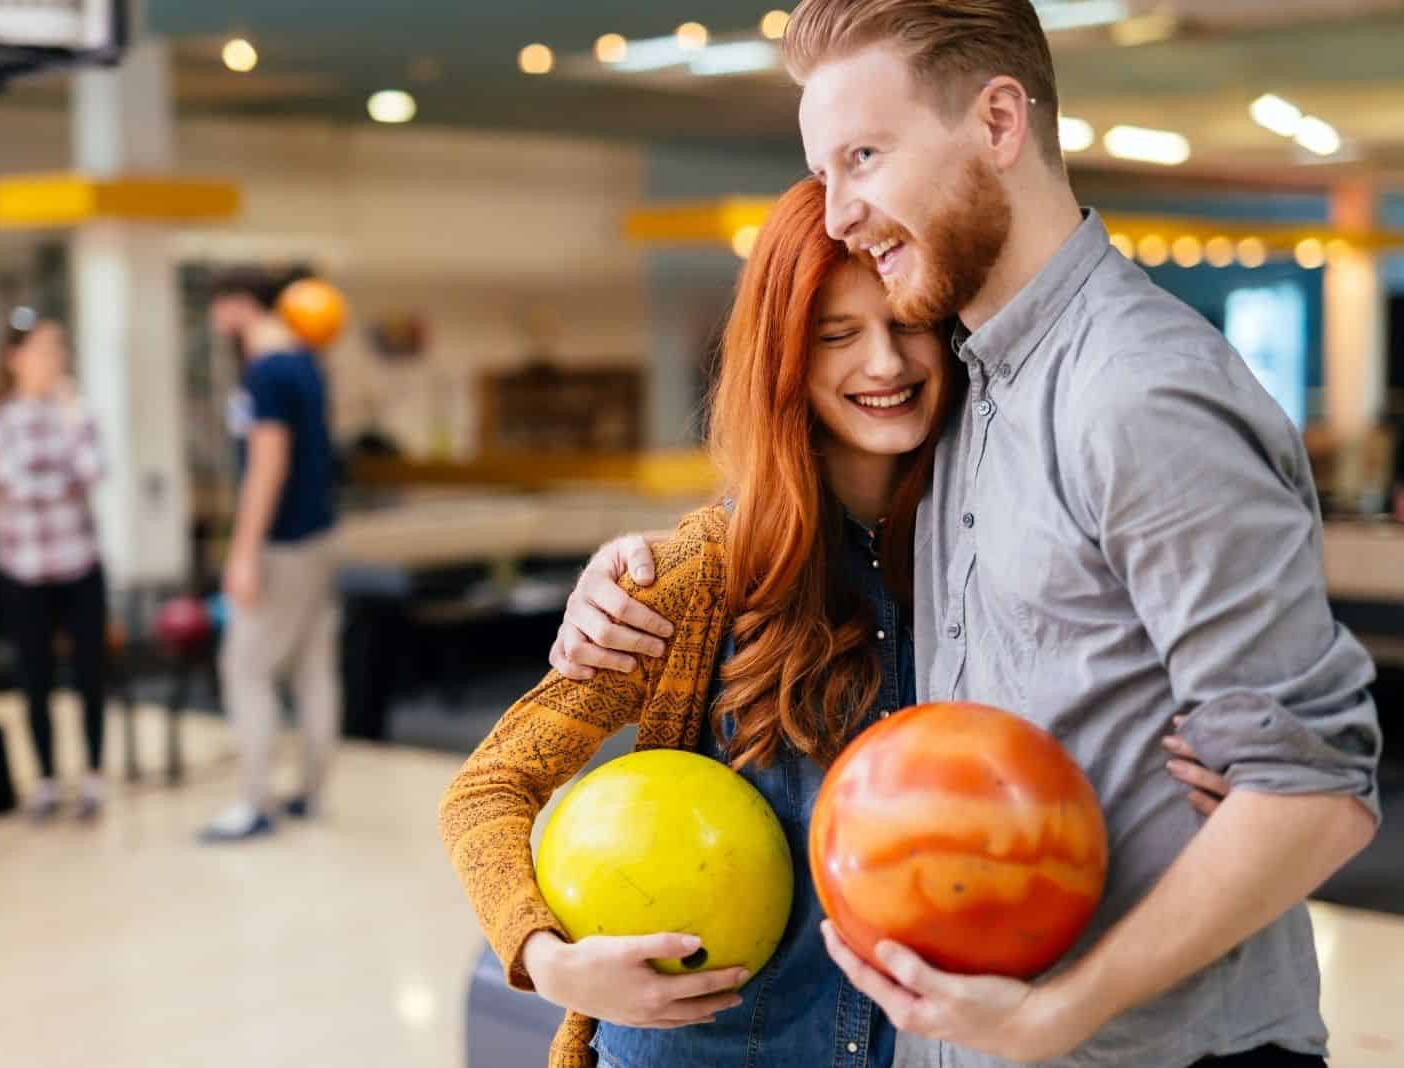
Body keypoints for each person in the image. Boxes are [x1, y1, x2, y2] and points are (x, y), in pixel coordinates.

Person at [549, 3, 1383, 1067]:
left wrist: (1053, 1016)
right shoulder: (964, 390)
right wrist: (637, 571)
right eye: (825, 168)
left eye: (862, 157)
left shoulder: (1135, 393)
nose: (837, 211)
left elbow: (1312, 792)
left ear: (997, 124)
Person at [440, 181, 1221, 1068]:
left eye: (907, 324)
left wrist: (1211, 774)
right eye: (837, 336)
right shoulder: (698, 576)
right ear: (787, 359)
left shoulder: (1009, 559)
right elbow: (487, 789)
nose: (882, 365)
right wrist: (552, 963)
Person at [199, 268, 341, 843]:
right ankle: (311, 790)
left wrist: (242, 552)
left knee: (244, 668)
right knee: (312, 667)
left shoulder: (264, 373)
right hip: (322, 536)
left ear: (237, 305)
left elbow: (267, 465)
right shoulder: (307, 364)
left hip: (283, 544)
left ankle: (253, 801)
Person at [0, 307, 109, 822]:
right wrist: (64, 480)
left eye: (60, 348)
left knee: (90, 673)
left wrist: (72, 426)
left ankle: (94, 775)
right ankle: (48, 780)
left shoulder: (76, 409)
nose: (56, 359)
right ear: (15, 358)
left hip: (80, 562)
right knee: (35, 677)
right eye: (45, 349)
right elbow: (16, 487)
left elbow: (94, 472)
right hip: (22, 566)